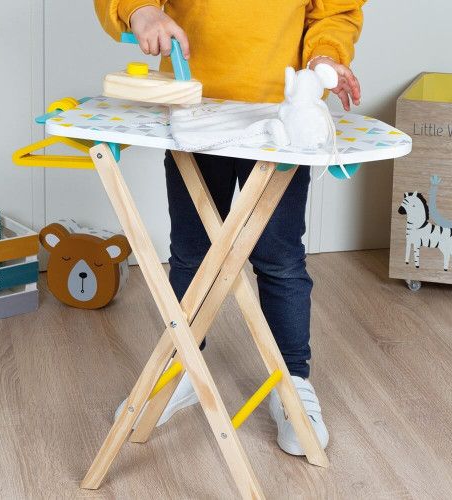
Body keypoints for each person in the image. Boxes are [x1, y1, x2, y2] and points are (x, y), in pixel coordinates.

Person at [95, 0, 365, 454]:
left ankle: (291, 380)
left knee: (279, 257)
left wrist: (323, 55)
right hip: (197, 104)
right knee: (192, 252)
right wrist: (140, 10)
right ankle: (183, 364)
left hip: (282, 113)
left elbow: (336, 11)